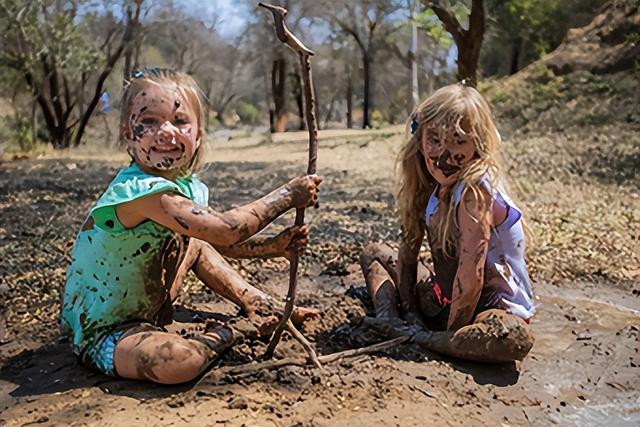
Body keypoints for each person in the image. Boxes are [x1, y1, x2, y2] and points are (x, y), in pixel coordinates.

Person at [60, 68, 323, 384]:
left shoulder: (186, 187)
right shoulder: (138, 192)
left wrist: (274, 246)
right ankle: (235, 331)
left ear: (198, 135)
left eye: (180, 121)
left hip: (148, 312)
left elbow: (218, 243)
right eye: (150, 121)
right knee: (179, 362)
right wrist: (287, 196)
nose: (166, 131)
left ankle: (257, 302)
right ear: (127, 134)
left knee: (195, 240)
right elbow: (227, 229)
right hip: (106, 331)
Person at [360, 82, 535, 363]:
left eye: (458, 140)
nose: (443, 154)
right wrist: (411, 312)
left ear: (478, 143)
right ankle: (391, 321)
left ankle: (426, 339)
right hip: (444, 298)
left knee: (514, 338)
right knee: (374, 253)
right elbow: (408, 250)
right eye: (435, 139)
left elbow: (471, 278)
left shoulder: (474, 191)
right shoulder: (426, 179)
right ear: (421, 138)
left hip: (487, 310)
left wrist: (452, 335)